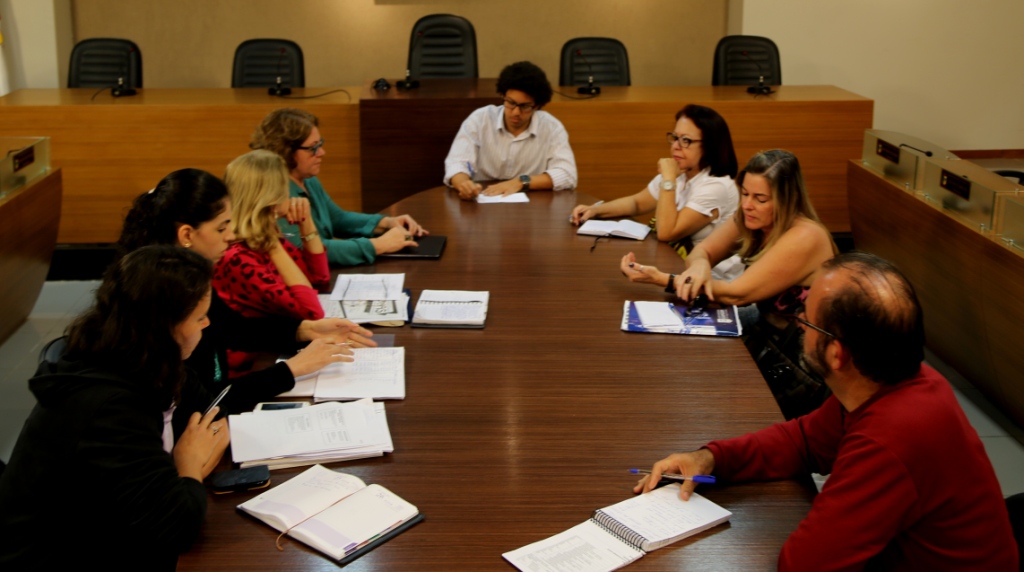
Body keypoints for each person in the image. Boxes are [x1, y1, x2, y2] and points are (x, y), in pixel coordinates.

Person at [633, 252, 1018, 571]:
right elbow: (803, 440)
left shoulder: (890, 439)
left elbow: (804, 565)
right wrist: (712, 457)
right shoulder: (897, 381)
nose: (800, 328)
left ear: (836, 354)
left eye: (806, 320)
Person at [0, 245, 230, 570]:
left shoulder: (144, 357)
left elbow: (212, 412)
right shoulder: (110, 406)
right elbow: (177, 529)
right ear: (164, 327)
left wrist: (185, 474)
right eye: (199, 316)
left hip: (106, 530)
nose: (207, 324)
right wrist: (189, 463)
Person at [118, 168, 373, 402]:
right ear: (186, 235)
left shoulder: (187, 276)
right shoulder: (160, 300)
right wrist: (290, 370)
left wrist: (305, 330)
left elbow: (232, 327)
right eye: (221, 228)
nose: (230, 236)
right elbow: (206, 403)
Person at [620, 149, 837, 330]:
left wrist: (663, 279)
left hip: (796, 347)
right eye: (745, 194)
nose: (747, 205)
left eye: (760, 199)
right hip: (767, 324)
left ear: (788, 200)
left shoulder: (806, 236)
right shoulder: (751, 216)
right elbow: (703, 251)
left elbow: (737, 295)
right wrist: (700, 267)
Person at [572, 104, 743, 279]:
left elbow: (666, 232)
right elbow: (637, 203)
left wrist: (668, 179)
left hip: (713, 281)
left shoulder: (717, 186)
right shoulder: (681, 173)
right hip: (679, 270)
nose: (676, 146)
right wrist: (596, 210)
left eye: (686, 140)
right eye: (675, 138)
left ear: (709, 146)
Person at [251, 107, 426, 266]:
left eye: (320, 144)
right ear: (285, 150)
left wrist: (386, 223)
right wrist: (377, 245)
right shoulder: (275, 194)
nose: (321, 153)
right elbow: (304, 251)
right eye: (313, 148)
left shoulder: (307, 178)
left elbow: (337, 219)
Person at [215, 150, 337, 375]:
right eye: (284, 189)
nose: (289, 196)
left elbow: (318, 279)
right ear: (271, 200)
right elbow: (311, 312)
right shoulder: (237, 257)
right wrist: (273, 244)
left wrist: (307, 224)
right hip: (249, 370)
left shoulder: (259, 242)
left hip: (271, 351)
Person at [444, 61, 578, 200]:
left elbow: (567, 174)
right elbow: (456, 163)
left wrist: (521, 182)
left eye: (524, 106)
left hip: (532, 206)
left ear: (537, 106)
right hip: (483, 199)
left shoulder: (552, 127)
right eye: (511, 103)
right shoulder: (480, 119)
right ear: (503, 96)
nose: (515, 112)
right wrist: (464, 185)